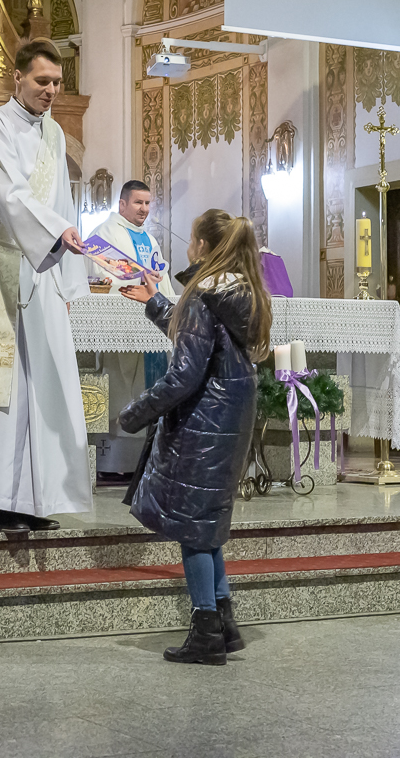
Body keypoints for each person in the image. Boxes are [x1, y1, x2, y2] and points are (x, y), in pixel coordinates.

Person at [0, 37, 90, 533]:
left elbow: (64, 204)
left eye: (57, 83)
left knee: (42, 387)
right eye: (42, 81)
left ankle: (34, 498)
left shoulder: (55, 133)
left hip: (45, 268)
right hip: (4, 268)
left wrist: (68, 283)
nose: (51, 91)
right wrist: (56, 232)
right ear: (18, 78)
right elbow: (7, 194)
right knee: (1, 391)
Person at [118, 210, 272, 665]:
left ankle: (205, 629)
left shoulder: (203, 295)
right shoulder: (241, 292)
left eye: (191, 239)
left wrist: (136, 413)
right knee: (207, 525)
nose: (188, 245)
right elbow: (202, 339)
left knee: (193, 529)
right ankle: (224, 620)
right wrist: (155, 301)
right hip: (230, 420)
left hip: (203, 422)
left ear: (202, 247)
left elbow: (184, 373)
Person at [85, 180, 175, 477]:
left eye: (148, 203)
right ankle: (114, 464)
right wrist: (139, 283)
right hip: (120, 325)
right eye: (138, 202)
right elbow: (99, 276)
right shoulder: (103, 234)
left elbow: (161, 278)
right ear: (122, 204)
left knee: (148, 387)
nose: (144, 209)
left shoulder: (149, 239)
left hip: (150, 324)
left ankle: (147, 460)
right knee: (121, 386)